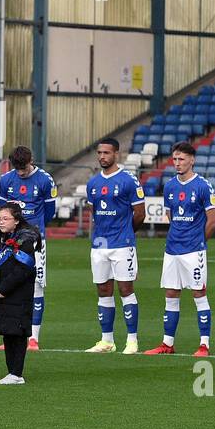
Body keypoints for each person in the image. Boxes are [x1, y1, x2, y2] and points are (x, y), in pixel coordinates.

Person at [144, 141, 215, 357]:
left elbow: (213, 221)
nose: (177, 163)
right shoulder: (170, 186)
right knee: (171, 293)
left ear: (192, 160)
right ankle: (167, 343)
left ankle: (204, 345)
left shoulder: (203, 186)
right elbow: (170, 216)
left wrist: (197, 242)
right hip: (172, 249)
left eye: (182, 159)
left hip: (194, 250)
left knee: (198, 293)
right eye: (175, 159)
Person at [82, 137, 145, 354]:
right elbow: (94, 213)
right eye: (99, 153)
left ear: (116, 154)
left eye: (106, 153)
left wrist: (126, 233)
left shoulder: (129, 180)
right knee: (103, 290)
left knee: (125, 289)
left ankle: (132, 340)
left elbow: (140, 214)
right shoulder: (93, 183)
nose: (102, 156)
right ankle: (107, 341)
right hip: (99, 244)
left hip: (122, 244)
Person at [0, 144, 56, 349]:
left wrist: (32, 230)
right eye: (18, 169)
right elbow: (2, 210)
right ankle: (11, 334)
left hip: (35, 242)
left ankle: (33, 338)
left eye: (24, 168)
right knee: (8, 285)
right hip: (10, 242)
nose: (21, 172)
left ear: (31, 161)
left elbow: (49, 211)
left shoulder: (45, 179)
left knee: (37, 286)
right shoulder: (5, 180)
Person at [0, 202, 40, 385]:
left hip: (18, 294)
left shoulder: (24, 240)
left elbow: (24, 269)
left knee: (17, 332)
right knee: (7, 332)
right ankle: (12, 372)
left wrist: (3, 289)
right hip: (2, 292)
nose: (1, 222)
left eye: (5, 219)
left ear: (16, 220)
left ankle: (17, 373)